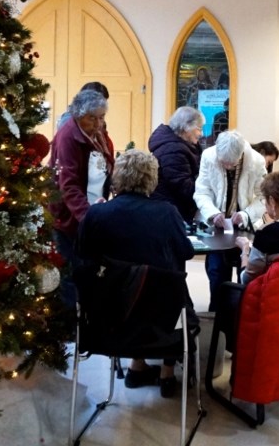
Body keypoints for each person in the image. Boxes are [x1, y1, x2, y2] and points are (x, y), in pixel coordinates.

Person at [77, 150, 195, 399]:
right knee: (167, 285)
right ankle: (166, 373)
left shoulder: (97, 214)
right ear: (151, 179)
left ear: (117, 178)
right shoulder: (167, 212)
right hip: (159, 320)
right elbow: (185, 252)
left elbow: (82, 256)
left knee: (128, 283)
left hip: (107, 321)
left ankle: (137, 366)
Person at [47, 89, 113, 306]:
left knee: (90, 273)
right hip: (69, 219)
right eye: (91, 118)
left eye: (101, 118)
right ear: (78, 115)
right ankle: (70, 333)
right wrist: (87, 218)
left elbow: (107, 167)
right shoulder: (68, 137)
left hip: (92, 213)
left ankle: (88, 327)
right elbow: (68, 185)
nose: (97, 123)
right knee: (70, 275)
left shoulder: (99, 134)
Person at [193, 130, 267, 310]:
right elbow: (202, 192)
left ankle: (243, 313)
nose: (226, 166)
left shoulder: (257, 161)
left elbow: (263, 197)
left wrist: (246, 214)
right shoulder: (209, 156)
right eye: (223, 162)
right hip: (217, 226)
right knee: (216, 270)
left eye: (230, 164)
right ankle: (216, 312)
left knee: (246, 272)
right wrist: (212, 213)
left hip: (245, 226)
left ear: (241, 155)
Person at [148, 106, 205, 223]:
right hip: (170, 211)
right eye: (199, 129)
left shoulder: (186, 145)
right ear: (186, 128)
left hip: (175, 209)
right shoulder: (173, 150)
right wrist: (206, 192)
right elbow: (183, 186)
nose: (201, 133)